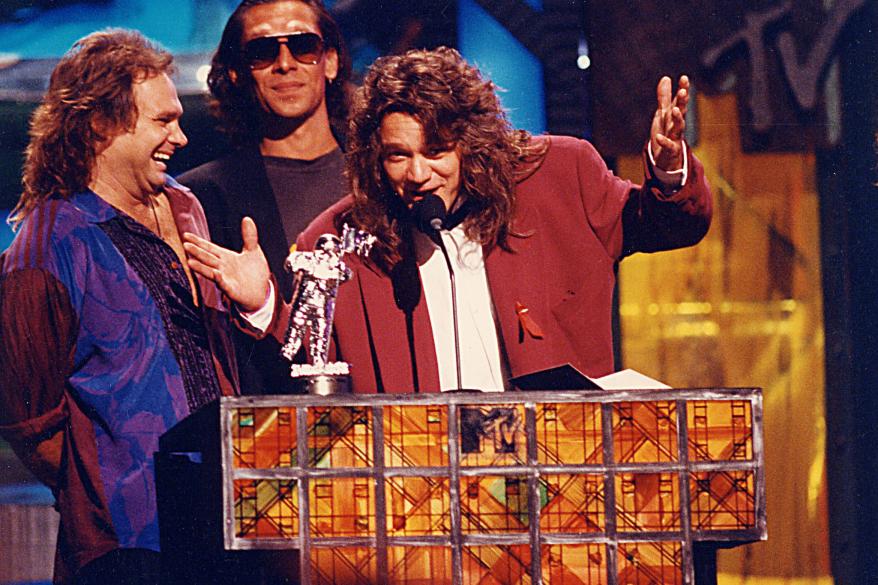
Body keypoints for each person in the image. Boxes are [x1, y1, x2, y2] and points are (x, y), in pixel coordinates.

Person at [185, 47, 712, 394]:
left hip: (561, 478)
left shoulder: (560, 175)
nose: (418, 174)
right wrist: (262, 303)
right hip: (421, 500)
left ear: (474, 143)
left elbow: (667, 224)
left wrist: (669, 172)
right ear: (372, 155)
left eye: (437, 151)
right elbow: (307, 357)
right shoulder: (336, 238)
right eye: (397, 155)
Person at [0, 30, 268, 584]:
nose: (182, 136)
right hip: (130, 544)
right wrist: (101, 492)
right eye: (163, 121)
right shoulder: (47, 246)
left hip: (232, 518)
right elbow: (29, 422)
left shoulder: (185, 205)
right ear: (100, 123)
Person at [178, 0, 351, 395]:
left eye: (303, 46)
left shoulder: (386, 179)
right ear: (237, 73)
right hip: (270, 427)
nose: (285, 63)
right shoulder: (201, 198)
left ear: (330, 62)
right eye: (262, 51)